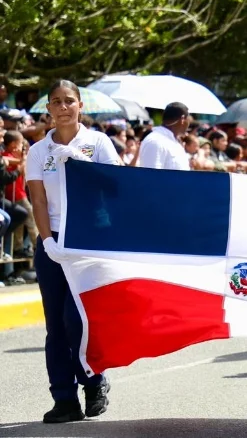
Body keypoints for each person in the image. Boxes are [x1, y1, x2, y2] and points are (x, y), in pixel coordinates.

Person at [26, 80, 120, 423]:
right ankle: (64, 399)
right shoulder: (38, 151)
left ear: (80, 106)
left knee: (77, 318)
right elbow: (37, 200)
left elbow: (116, 184)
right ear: (48, 109)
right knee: (55, 326)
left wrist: (82, 162)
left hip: (89, 239)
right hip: (53, 240)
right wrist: (47, 240)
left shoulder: (97, 142)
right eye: (55, 102)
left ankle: (94, 381)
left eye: (69, 101)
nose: (62, 107)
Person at [137, 102, 191, 171]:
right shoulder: (155, 141)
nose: (189, 123)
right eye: (188, 118)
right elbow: (151, 177)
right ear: (182, 119)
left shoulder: (174, 142)